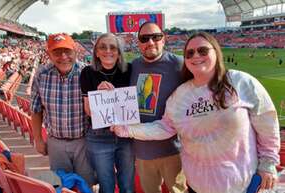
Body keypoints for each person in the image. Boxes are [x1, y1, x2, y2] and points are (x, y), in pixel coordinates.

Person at [111, 32, 280, 193]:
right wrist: (126, 129)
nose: (196, 56)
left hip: (240, 184)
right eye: (189, 53)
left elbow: (267, 123)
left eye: (203, 50)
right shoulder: (179, 96)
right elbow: (164, 128)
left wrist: (268, 163)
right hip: (197, 186)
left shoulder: (241, 82)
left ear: (216, 51)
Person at [128, 21, 186, 193]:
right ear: (138, 43)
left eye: (156, 37)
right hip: (142, 151)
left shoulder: (179, 64)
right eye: (144, 38)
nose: (150, 42)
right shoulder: (133, 67)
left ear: (164, 39)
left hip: (173, 150)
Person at [30, 33, 95, 187]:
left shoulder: (87, 73)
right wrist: (38, 139)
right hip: (55, 143)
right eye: (57, 52)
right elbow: (36, 109)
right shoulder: (41, 74)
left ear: (75, 51)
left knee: (86, 185)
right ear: (49, 54)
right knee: (62, 186)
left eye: (67, 51)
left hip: (83, 141)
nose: (63, 56)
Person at [79, 33, 134, 193]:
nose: (108, 51)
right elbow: (88, 111)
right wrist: (99, 95)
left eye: (113, 47)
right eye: (103, 47)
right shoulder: (87, 73)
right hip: (99, 137)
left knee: (127, 186)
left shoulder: (129, 70)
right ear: (96, 52)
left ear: (119, 52)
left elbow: (133, 104)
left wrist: (115, 94)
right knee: (107, 187)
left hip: (126, 136)